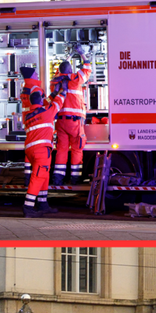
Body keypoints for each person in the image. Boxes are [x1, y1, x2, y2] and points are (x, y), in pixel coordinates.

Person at [50, 51, 93, 185]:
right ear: (70, 70)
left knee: (61, 149)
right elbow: (87, 68)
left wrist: (67, 57)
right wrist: (81, 53)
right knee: (76, 148)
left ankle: (58, 178)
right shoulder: (75, 79)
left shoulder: (55, 81)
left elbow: (61, 69)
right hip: (75, 122)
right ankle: (75, 178)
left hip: (61, 121)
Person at [20, 87, 64, 218]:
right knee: (38, 177)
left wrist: (54, 93)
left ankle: (43, 203)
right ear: (41, 101)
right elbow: (58, 104)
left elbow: (48, 104)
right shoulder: (46, 113)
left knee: (43, 175)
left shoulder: (28, 117)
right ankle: (28, 206)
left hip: (31, 150)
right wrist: (63, 92)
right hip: (41, 150)